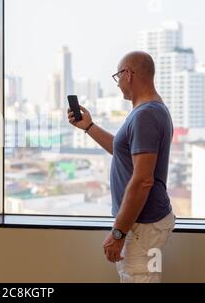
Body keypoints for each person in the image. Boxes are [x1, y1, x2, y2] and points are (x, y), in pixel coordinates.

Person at [67, 51, 176, 283]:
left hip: (142, 226)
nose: (117, 85)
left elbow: (143, 180)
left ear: (128, 74)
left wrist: (118, 233)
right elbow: (123, 152)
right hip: (144, 224)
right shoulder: (150, 111)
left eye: (117, 77)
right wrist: (89, 127)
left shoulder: (145, 115)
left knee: (140, 278)